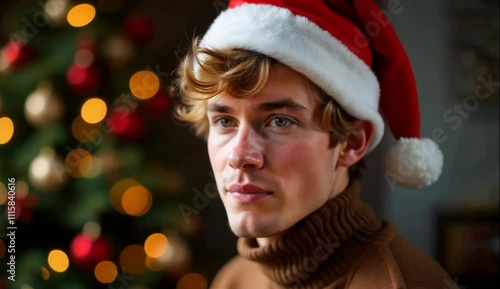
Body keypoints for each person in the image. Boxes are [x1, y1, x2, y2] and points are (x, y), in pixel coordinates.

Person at [175, 0, 454, 288]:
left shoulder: (401, 283)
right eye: (224, 121)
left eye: (279, 121)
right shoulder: (233, 279)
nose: (239, 156)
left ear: (351, 143)